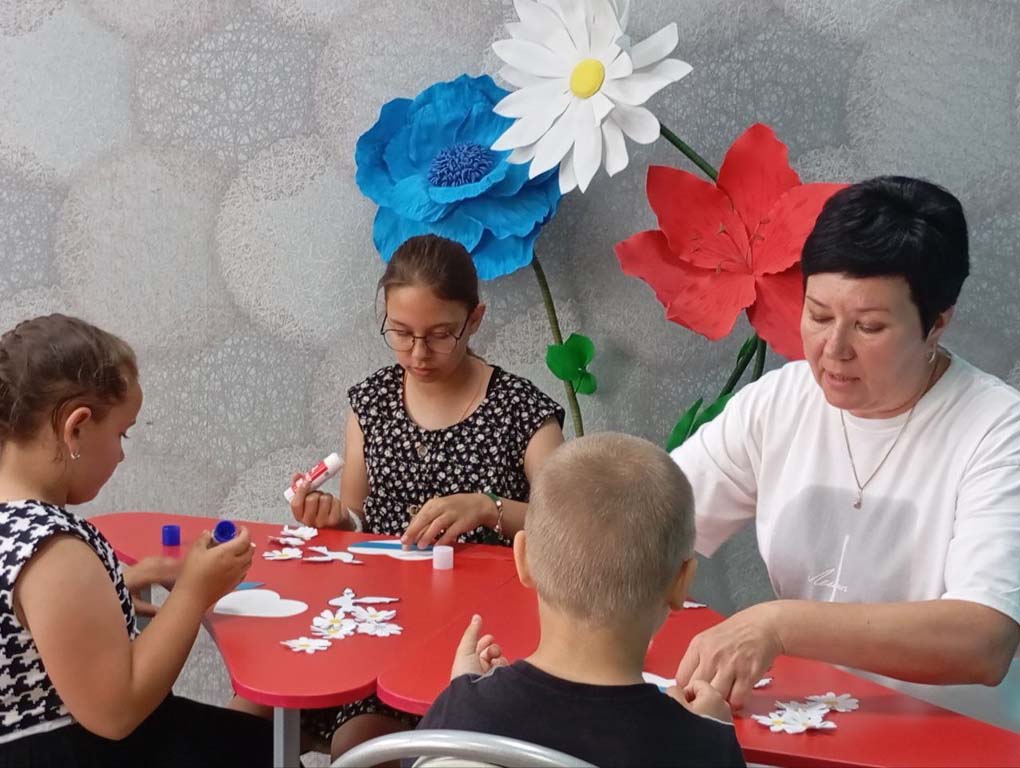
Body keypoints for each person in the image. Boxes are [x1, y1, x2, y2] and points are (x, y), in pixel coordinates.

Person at [671, 176, 1020, 729]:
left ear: (937, 322)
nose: (834, 349)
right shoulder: (781, 401)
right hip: (802, 720)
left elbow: (985, 638)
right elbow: (653, 522)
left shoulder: (998, 430)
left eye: (869, 326)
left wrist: (778, 625)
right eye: (818, 315)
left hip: (952, 737)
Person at [279, 234, 566, 755]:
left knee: (394, 747)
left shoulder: (524, 411)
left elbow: (570, 528)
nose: (418, 353)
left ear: (474, 320)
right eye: (401, 333)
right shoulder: (371, 403)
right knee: (334, 739)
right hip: (381, 627)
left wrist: (489, 508)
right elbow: (357, 523)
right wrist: (334, 520)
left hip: (486, 640)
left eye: (439, 335)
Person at [0, 314, 272, 767]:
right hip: (79, 751)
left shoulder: (15, 526)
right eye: (120, 433)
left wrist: (124, 582)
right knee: (264, 748)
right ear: (76, 428)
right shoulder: (51, 550)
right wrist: (194, 592)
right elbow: (116, 711)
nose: (122, 453)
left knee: (255, 735)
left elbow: (28, 623)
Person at [415, 433, 745, 767]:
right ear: (681, 582)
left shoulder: (458, 715)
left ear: (523, 558)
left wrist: (464, 694)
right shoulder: (703, 747)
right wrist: (713, 729)